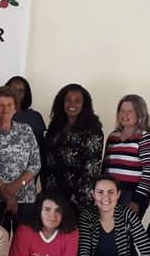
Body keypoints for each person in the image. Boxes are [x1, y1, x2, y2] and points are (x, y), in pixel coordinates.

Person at [0, 87, 40, 229]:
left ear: (15, 108)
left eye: (9, 105)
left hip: (25, 198)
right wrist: (5, 192)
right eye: (0, 105)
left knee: (24, 240)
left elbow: (35, 163)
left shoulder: (26, 130)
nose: (5, 109)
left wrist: (15, 186)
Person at [41, 83, 103, 212]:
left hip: (78, 199)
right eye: (68, 100)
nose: (72, 104)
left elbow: (91, 170)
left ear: (84, 105)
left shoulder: (93, 131)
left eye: (77, 101)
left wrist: (76, 200)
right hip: (53, 195)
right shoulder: (55, 128)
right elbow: (47, 161)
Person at [101, 94, 150, 218]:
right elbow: (105, 167)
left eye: (130, 111)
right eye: (122, 110)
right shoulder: (113, 136)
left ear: (140, 114)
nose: (125, 115)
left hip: (131, 194)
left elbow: (149, 174)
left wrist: (137, 200)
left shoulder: (148, 138)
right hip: (110, 193)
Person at [0, 75, 47, 150]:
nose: (16, 93)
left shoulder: (34, 117)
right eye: (13, 89)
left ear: (26, 94)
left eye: (20, 91)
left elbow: (40, 147)